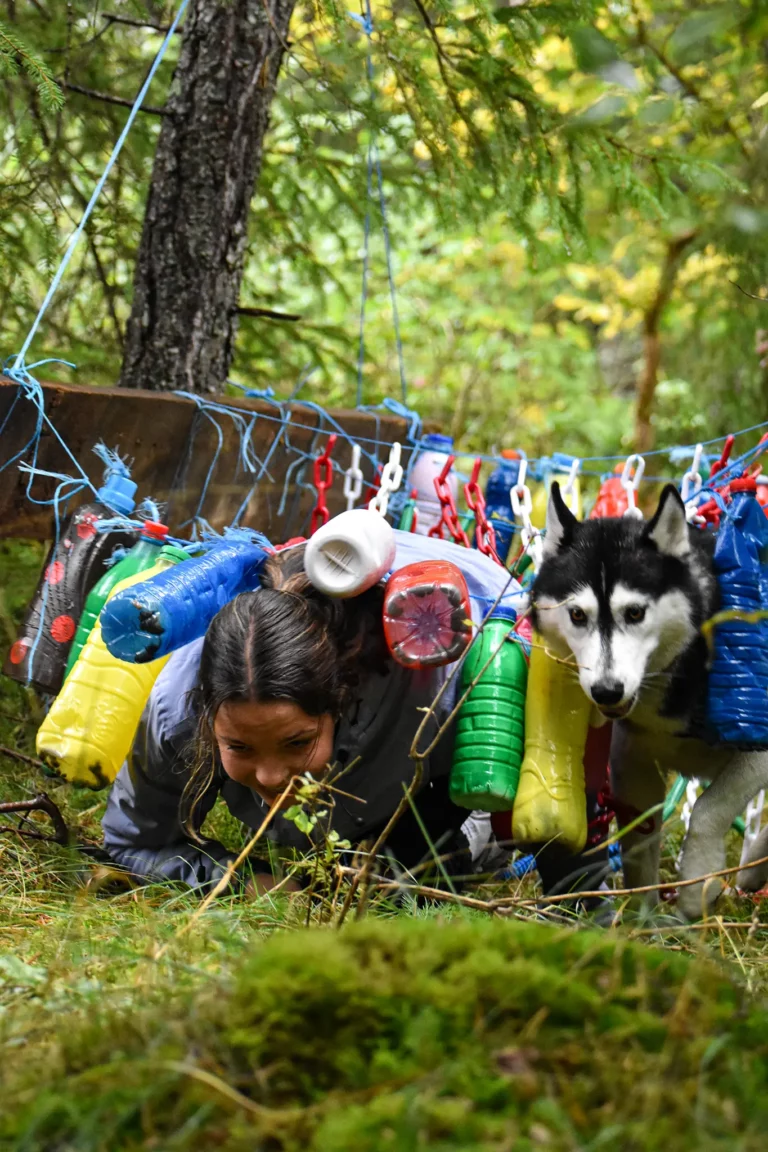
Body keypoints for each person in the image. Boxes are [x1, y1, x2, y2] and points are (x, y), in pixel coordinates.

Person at [101, 532, 524, 894]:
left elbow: (501, 791)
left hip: (456, 635)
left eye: (297, 742)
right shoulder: (177, 712)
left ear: (341, 698)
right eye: (239, 746)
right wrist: (235, 879)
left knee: (420, 877)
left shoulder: (443, 688)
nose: (270, 777)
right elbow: (131, 843)